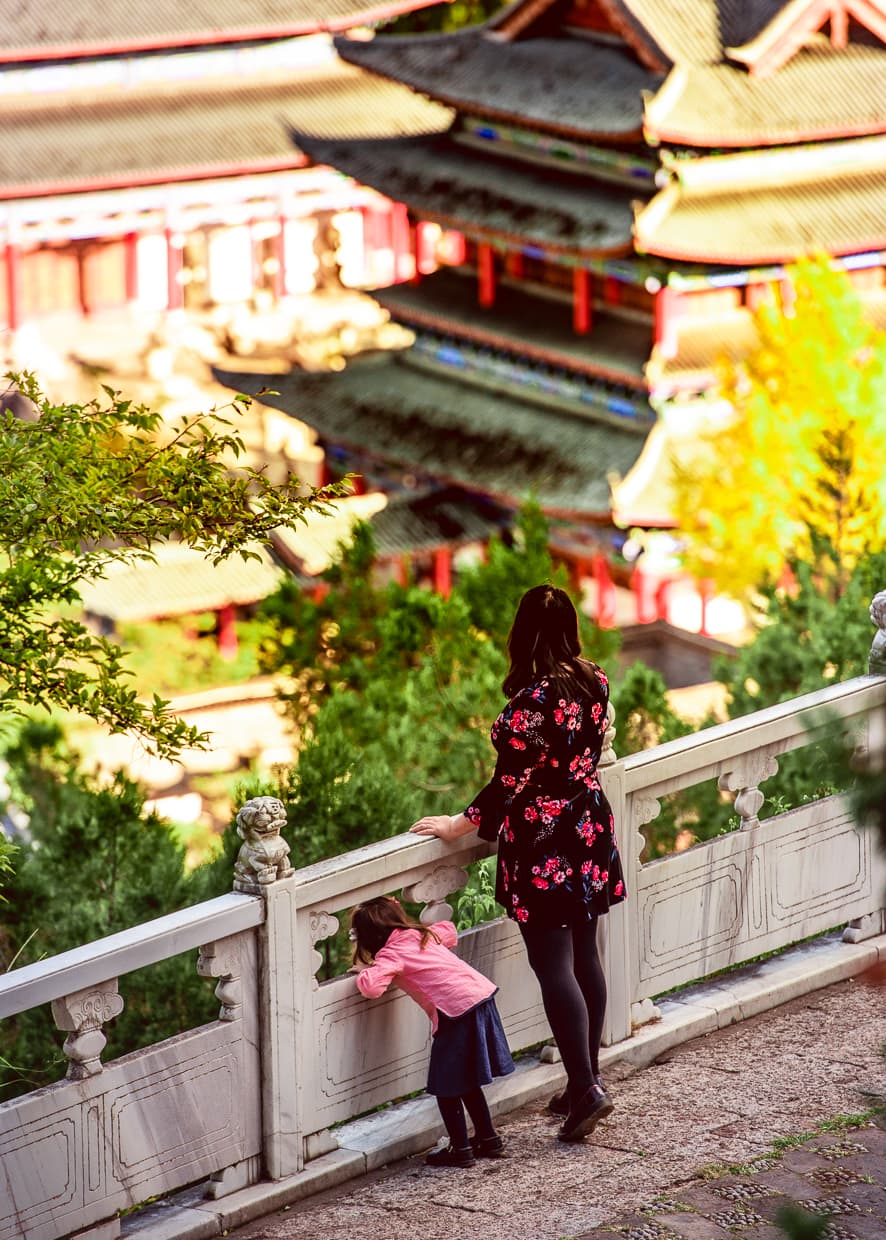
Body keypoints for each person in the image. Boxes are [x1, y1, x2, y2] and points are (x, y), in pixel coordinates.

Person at [410, 584, 626, 1142]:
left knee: (553, 965)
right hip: (589, 826)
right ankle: (588, 1078)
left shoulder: (530, 705)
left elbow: (509, 783)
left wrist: (458, 825)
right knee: (586, 956)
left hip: (546, 839)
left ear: (521, 632)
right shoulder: (593, 678)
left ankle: (584, 1089)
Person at [350, 895, 515, 1168]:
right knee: (468, 1081)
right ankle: (488, 1138)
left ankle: (460, 1149)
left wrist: (364, 970)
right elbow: (448, 931)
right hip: (481, 998)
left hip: (454, 1012)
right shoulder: (423, 934)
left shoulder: (392, 954)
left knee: (446, 1086)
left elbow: (371, 988)